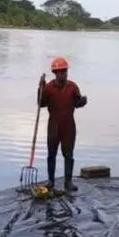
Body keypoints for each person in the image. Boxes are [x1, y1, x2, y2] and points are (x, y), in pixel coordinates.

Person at [39, 56, 87, 193]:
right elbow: (41, 104)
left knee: (68, 155)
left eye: (65, 71)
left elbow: (77, 103)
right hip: (53, 126)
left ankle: (68, 182)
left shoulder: (73, 87)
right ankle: (50, 181)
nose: (63, 73)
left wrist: (82, 102)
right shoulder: (48, 88)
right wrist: (40, 88)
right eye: (60, 71)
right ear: (55, 73)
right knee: (51, 154)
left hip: (69, 126)